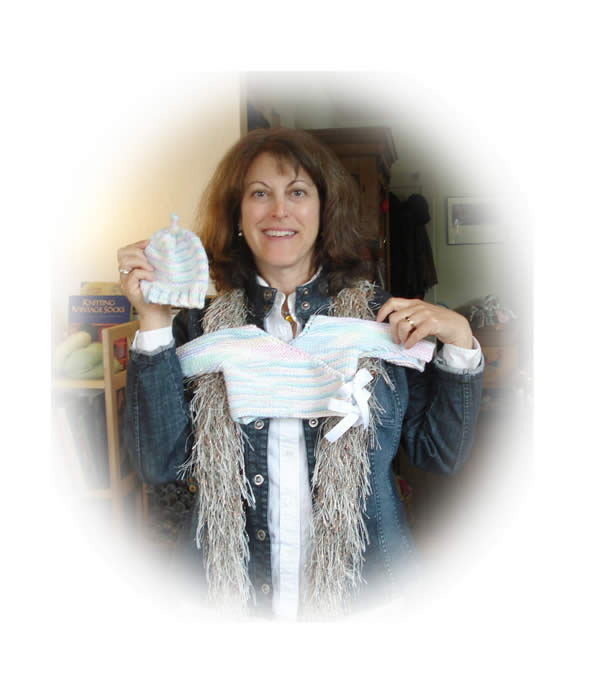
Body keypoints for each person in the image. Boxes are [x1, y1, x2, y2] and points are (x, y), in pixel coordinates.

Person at [118, 127, 484, 620]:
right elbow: (157, 464)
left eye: (297, 192)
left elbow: (440, 453)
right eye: (259, 194)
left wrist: (460, 340)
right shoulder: (195, 329)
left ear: (323, 209)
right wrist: (152, 320)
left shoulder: (383, 323)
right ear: (238, 215)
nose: (278, 211)